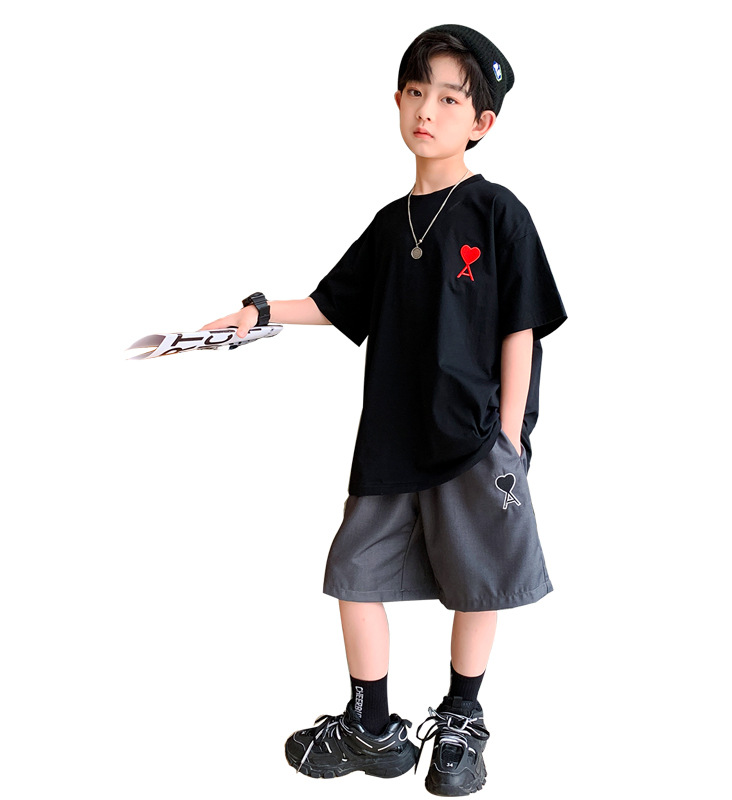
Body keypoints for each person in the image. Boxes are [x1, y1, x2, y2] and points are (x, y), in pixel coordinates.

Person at [201, 24, 567, 797]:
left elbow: (522, 326)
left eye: (449, 99)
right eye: (416, 91)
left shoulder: (497, 212)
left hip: (472, 440)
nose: (427, 110)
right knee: (354, 573)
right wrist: (259, 311)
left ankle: (462, 720)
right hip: (393, 441)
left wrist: (507, 436)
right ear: (396, 101)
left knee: (479, 579)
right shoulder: (388, 223)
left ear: (482, 122)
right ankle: (372, 726)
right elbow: (336, 304)